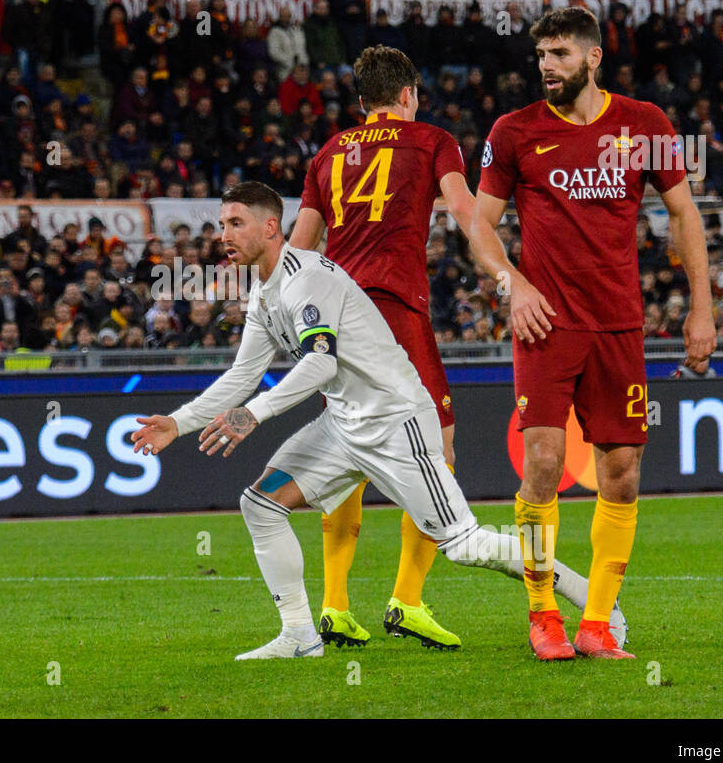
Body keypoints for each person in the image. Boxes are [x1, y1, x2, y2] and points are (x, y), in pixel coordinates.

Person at [131, 183, 580, 660]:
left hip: (395, 420)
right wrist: (178, 423)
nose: (224, 234)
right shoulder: (265, 291)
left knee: (466, 546)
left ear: (269, 227)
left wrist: (254, 414)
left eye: (235, 223)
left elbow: (321, 364)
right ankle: (301, 636)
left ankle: (592, 599)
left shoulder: (307, 279)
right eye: (222, 225)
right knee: (260, 505)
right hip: (344, 426)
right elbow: (244, 373)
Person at [291, 44, 613, 650]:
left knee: (349, 447)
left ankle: (333, 606)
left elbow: (300, 251)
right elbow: (467, 210)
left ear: (362, 103)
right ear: (409, 94)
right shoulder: (432, 140)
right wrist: (506, 271)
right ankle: (406, 600)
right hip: (395, 314)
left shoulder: (327, 154)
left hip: (335, 320)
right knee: (437, 453)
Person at [474, 6, 715, 660]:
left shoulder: (645, 124)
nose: (546, 66)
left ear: (592, 56)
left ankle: (597, 623)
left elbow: (683, 213)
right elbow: (478, 224)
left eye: (558, 53)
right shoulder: (515, 131)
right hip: (545, 322)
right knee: (545, 464)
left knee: (622, 474)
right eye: (541, 55)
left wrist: (702, 306)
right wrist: (512, 283)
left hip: (618, 323)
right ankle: (543, 612)